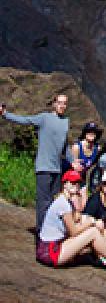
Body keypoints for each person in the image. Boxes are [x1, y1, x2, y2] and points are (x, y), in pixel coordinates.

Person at [35, 170, 106, 274]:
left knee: (91, 227)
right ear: (64, 184)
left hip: (51, 246)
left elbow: (77, 218)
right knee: (93, 232)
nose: (76, 185)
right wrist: (91, 222)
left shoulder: (66, 201)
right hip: (50, 252)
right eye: (72, 182)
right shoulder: (63, 203)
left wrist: (88, 220)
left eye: (77, 183)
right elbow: (73, 232)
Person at [1, 94, 70, 232]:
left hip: (57, 169)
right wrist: (5, 114)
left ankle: (51, 230)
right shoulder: (44, 118)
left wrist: (73, 161)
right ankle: (41, 231)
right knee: (43, 202)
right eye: (59, 103)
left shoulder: (66, 122)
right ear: (54, 104)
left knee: (53, 202)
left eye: (64, 103)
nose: (62, 106)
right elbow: (25, 120)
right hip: (44, 167)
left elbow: (65, 146)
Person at [82, 170, 106, 248]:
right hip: (90, 230)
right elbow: (85, 219)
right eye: (105, 183)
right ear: (101, 184)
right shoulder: (95, 201)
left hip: (102, 229)